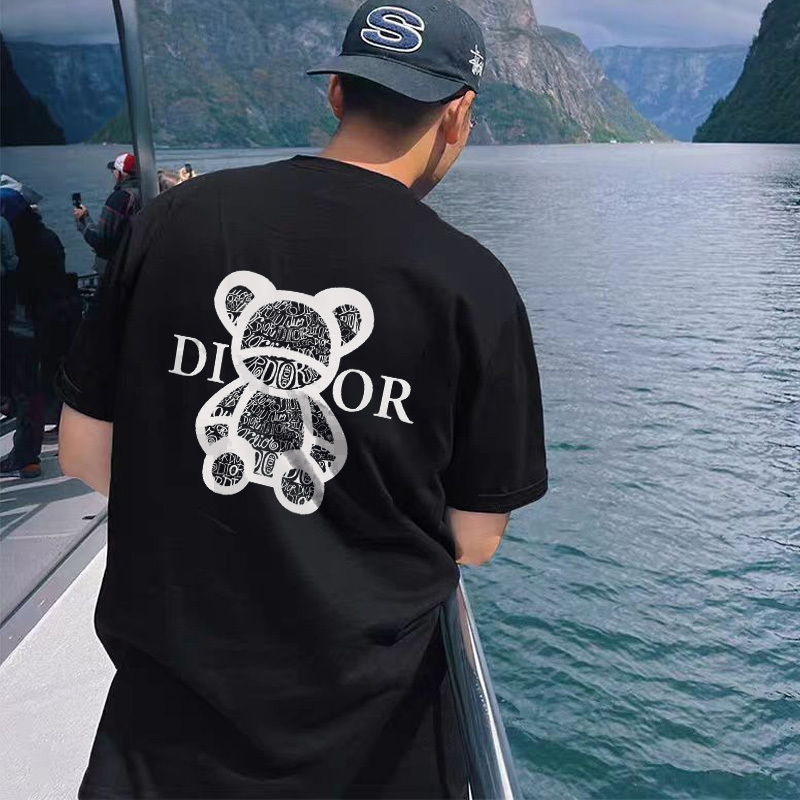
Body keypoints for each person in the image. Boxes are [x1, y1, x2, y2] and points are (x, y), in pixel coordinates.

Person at [57, 1, 547, 796]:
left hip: (158, 743)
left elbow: (83, 453)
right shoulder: (473, 286)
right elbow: (476, 538)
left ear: (336, 94)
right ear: (458, 115)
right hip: (369, 754)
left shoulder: (174, 221)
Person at [1, 188, 78, 478]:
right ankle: (52, 439)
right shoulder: (45, 236)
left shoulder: (22, 247)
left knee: (24, 390)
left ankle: (25, 455)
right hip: (55, 319)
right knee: (44, 383)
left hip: (26, 326)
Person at [74, 152, 141, 274]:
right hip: (137, 265)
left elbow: (101, 242)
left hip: (115, 270)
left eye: (114, 170)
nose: (113, 174)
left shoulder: (119, 199)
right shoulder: (145, 192)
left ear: (120, 173)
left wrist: (84, 220)